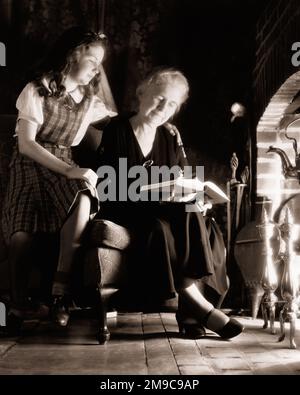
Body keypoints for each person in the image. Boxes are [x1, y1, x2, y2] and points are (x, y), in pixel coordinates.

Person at [95, 68, 244, 340]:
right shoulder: (116, 129)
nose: (164, 108)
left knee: (200, 219)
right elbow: (107, 187)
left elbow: (185, 180)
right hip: (126, 209)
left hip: (167, 211)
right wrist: (155, 191)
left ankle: (191, 316)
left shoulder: (170, 136)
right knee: (167, 224)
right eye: (159, 98)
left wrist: (199, 198)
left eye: (172, 104)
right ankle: (197, 308)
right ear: (142, 94)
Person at [0, 26, 117, 333]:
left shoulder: (90, 99)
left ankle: (59, 294)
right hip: (29, 163)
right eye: (92, 59)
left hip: (64, 162)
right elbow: (25, 143)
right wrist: (68, 170)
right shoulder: (37, 88)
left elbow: (121, 122)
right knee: (21, 234)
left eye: (99, 63)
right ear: (73, 53)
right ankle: (17, 304)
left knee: (83, 193)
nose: (96, 69)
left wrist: (158, 123)